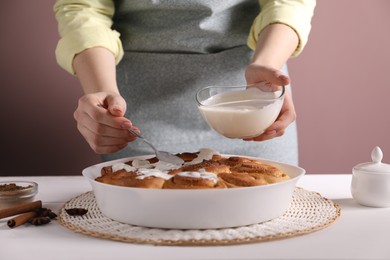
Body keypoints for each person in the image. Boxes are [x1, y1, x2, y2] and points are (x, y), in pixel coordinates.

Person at [54, 0, 316, 165]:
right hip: (139, 106)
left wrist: (268, 62)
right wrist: (102, 90)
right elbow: (83, 8)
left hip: (254, 94)